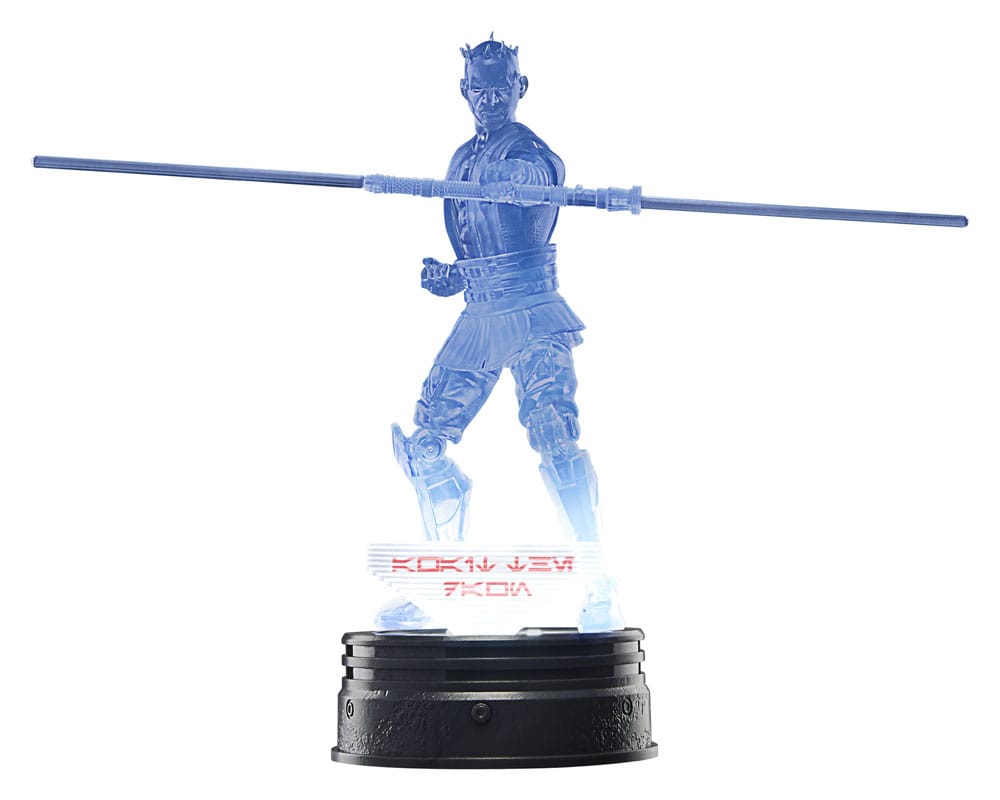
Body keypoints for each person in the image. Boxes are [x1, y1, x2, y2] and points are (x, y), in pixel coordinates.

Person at [381, 37, 621, 631]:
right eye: (480, 90)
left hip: (533, 312)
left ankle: (599, 583)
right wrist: (453, 277)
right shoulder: (462, 160)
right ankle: (441, 582)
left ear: (521, 87)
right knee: (425, 445)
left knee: (554, 438)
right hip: (483, 315)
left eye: (501, 88)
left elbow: (542, 180)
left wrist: (520, 181)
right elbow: (476, 247)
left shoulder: (529, 151)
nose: (491, 100)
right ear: (464, 91)